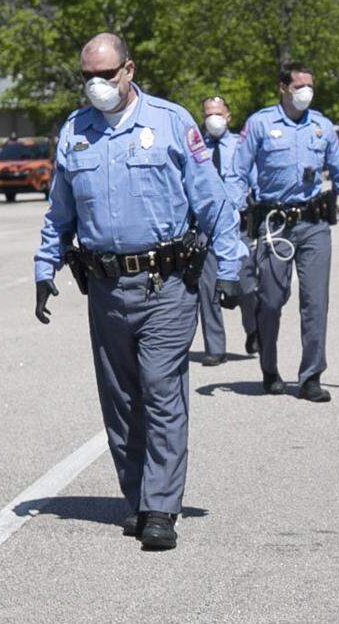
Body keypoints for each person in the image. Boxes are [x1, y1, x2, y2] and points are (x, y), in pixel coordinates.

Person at [33, 33, 245, 550]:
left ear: (128, 70)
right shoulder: (75, 133)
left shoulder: (171, 122)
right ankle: (136, 500)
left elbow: (212, 202)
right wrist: (44, 266)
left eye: (105, 75)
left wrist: (233, 265)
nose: (97, 85)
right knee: (121, 399)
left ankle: (161, 507)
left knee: (161, 390)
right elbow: (60, 212)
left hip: (166, 284)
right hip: (104, 288)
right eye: (88, 76)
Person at [230, 61, 339, 403]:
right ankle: (269, 367)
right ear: (283, 87)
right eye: (299, 86)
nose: (306, 92)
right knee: (272, 299)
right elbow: (237, 172)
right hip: (274, 223)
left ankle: (311, 376)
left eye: (310, 86)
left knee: (315, 301)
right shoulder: (260, 123)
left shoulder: (321, 126)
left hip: (314, 224)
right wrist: (232, 218)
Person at [197, 96, 260, 366]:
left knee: (247, 287)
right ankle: (215, 347)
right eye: (209, 113)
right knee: (207, 290)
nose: (213, 118)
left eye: (218, 113)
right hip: (206, 228)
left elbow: (255, 181)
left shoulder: (241, 146)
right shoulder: (196, 148)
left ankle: (254, 329)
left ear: (229, 116)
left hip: (238, 227)